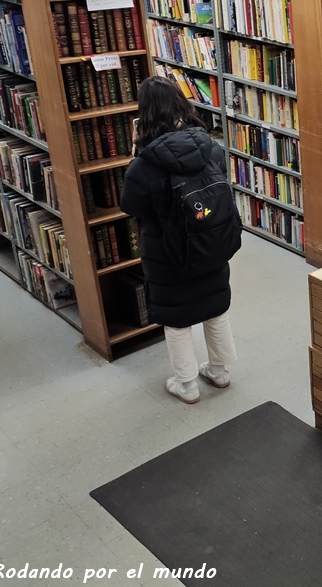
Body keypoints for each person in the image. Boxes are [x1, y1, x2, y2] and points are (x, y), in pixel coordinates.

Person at [120, 77, 238, 404]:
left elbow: (130, 206)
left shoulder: (144, 165)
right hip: (211, 242)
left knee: (177, 320)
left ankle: (186, 385)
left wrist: (135, 154)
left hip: (168, 252)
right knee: (216, 307)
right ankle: (220, 370)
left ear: (144, 114)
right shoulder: (209, 145)